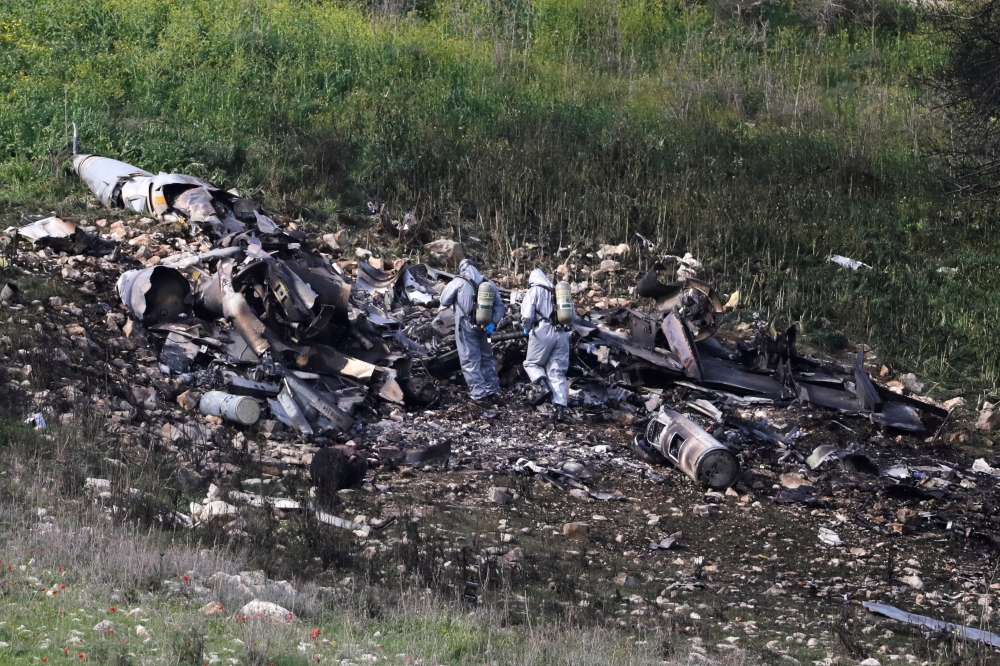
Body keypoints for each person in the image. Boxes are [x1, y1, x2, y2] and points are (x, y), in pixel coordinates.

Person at [440, 258, 505, 403]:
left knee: (470, 360)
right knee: (487, 357)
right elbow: (500, 305)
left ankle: (479, 395)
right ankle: (493, 390)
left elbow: (444, 301)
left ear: (461, 268)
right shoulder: (488, 283)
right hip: (486, 327)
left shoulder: (459, 281)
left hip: (465, 326)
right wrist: (493, 322)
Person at [521, 268, 575, 420]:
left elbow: (527, 315)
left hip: (543, 330)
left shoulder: (534, 291)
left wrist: (526, 328)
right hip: (562, 333)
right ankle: (560, 409)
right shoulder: (559, 292)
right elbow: (573, 315)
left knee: (532, 364)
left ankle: (543, 386)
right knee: (557, 370)